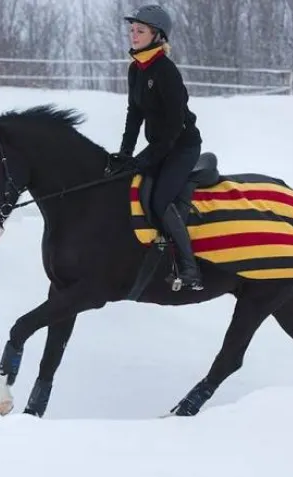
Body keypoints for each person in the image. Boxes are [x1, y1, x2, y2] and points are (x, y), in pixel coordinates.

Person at [113, 4, 203, 290]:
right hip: (161, 145)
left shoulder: (166, 70)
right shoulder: (136, 69)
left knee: (160, 200)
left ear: (157, 36)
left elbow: (174, 126)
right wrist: (125, 154)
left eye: (140, 31)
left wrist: (149, 156)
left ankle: (189, 269)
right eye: (132, 30)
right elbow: (134, 115)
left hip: (182, 146)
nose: (133, 35)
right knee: (131, 184)